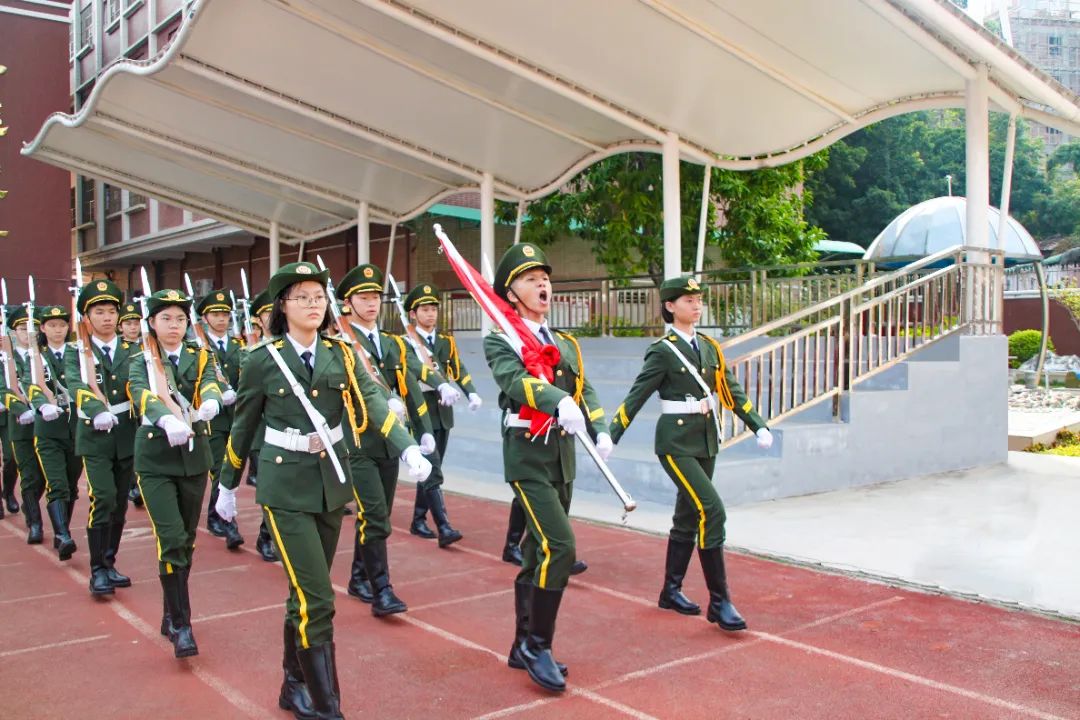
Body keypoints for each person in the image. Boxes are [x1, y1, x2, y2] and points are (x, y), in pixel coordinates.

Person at [214, 262, 431, 719]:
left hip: (331, 484)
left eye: (318, 297)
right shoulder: (262, 360)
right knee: (318, 599)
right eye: (302, 297)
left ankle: (292, 685)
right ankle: (328, 706)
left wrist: (406, 445)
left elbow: (372, 401)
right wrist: (227, 485)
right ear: (282, 306)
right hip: (284, 488)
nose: (313, 305)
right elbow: (243, 426)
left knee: (303, 594)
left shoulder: (341, 354)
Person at [608, 276, 773, 632]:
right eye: (688, 300)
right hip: (676, 443)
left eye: (698, 299)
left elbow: (731, 390)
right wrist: (611, 434)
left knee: (687, 515)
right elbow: (637, 395)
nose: (696, 305)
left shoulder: (710, 347)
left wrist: (757, 424)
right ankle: (720, 601)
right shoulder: (663, 351)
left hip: (705, 439)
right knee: (712, 510)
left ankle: (670, 591)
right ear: (670, 306)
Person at [484, 243, 611, 693]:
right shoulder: (502, 339)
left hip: (562, 456)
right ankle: (539, 646)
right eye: (531, 279)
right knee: (560, 546)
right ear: (511, 293)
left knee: (538, 551)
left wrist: (600, 427)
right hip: (527, 456)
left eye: (545, 279)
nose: (543, 286)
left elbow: (585, 389)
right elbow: (514, 381)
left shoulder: (564, 342)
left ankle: (521, 644)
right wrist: (557, 400)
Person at [342, 263, 455, 607]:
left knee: (377, 515)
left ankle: (359, 578)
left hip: (391, 443)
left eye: (375, 296)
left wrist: (424, 430)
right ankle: (382, 590)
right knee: (375, 515)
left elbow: (411, 383)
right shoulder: (342, 344)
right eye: (363, 297)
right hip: (360, 441)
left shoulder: (390, 344)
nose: (371, 303)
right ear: (347, 303)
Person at [129, 288, 224, 658]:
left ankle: (171, 611)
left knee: (185, 540)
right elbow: (141, 393)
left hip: (194, 457)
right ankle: (183, 626)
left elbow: (210, 380)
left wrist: (212, 399)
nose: (174, 325)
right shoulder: (141, 359)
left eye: (180, 319)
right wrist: (165, 419)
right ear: (152, 322)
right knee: (170, 538)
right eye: (166, 318)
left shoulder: (200, 355)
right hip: (156, 459)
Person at [65, 278, 138, 596]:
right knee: (104, 497)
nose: (107, 318)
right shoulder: (77, 352)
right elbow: (75, 384)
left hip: (126, 433)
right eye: (99, 312)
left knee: (119, 503)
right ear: (86, 316)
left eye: (111, 311)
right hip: (95, 434)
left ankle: (109, 562)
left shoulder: (133, 350)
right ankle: (97, 569)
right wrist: (96, 409)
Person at [401, 282, 482, 543]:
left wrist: (471, 392)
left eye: (433, 309)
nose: (430, 314)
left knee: (431, 467)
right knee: (433, 467)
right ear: (413, 314)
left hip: (443, 412)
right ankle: (444, 526)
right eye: (424, 309)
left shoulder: (446, 341)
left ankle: (418, 520)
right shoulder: (405, 343)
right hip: (420, 411)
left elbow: (457, 369)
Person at [28, 305, 81, 560]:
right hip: (49, 430)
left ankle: (63, 531)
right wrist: (42, 404)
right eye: (52, 325)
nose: (58, 330)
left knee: (71, 485)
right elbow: (30, 384)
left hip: (76, 428)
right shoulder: (37, 355)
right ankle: (63, 535)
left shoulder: (78, 353)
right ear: (43, 328)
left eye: (62, 325)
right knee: (57, 484)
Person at [196, 290, 244, 551]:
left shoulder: (239, 345)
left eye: (225, 314)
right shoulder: (199, 347)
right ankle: (226, 521)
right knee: (218, 468)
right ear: (205, 318)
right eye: (216, 314)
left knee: (233, 466)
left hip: (237, 416)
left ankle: (218, 514)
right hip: (212, 418)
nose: (222, 318)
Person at [2, 306, 46, 544]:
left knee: (44, 477)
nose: (29, 333)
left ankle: (29, 505)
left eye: (34, 328)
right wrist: (21, 409)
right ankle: (35, 523)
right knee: (27, 473)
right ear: (13, 331)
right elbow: (4, 388)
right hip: (20, 421)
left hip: (45, 421)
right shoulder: (6, 358)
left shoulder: (44, 354)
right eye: (22, 328)